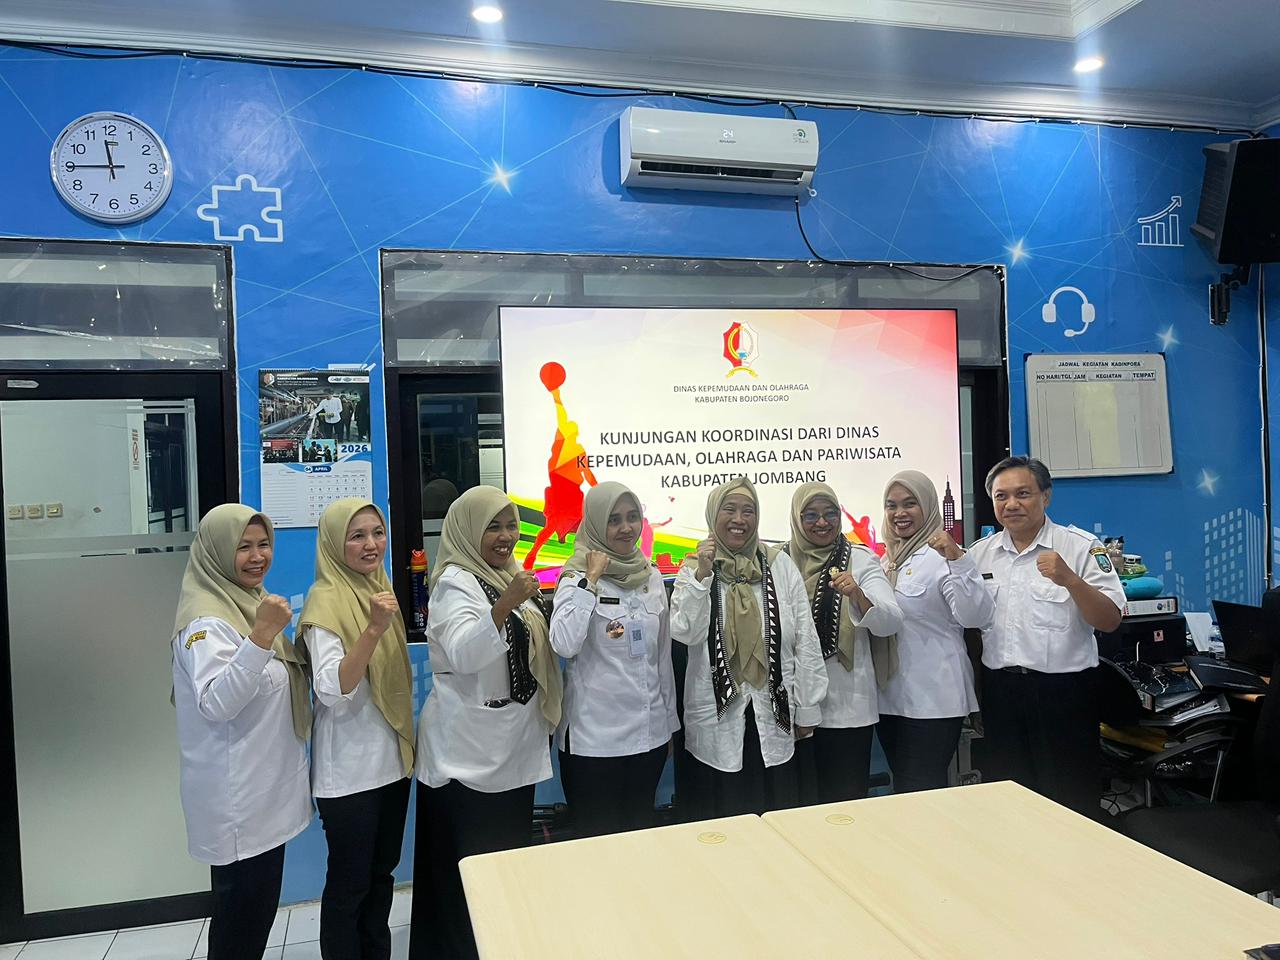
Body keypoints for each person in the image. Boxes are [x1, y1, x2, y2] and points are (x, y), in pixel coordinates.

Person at [410, 486, 561, 960]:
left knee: (503, 866)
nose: (506, 536)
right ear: (467, 531)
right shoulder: (455, 583)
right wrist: (504, 605)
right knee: (469, 875)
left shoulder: (507, 573)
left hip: (512, 746)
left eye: (511, 525)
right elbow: (464, 654)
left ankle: (499, 945)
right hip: (468, 758)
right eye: (492, 527)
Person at [171, 505, 311, 960]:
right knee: (240, 926)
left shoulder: (248, 602)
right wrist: (262, 636)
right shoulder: (205, 621)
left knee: (254, 918)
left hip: (262, 794)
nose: (257, 556)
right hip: (237, 802)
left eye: (263, 544)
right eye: (243, 547)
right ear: (215, 552)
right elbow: (217, 702)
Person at [969, 456, 1123, 817]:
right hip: (1002, 693)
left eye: (1023, 494)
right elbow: (972, 628)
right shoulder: (979, 554)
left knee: (1070, 802)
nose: (1011, 504)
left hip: (1064, 696)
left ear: (1046, 496)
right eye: (1001, 496)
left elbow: (1110, 620)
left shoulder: (1080, 547)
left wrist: (1070, 580)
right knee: (1008, 803)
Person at [670, 476, 827, 818]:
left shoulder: (779, 565)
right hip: (717, 720)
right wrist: (703, 576)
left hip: (773, 714)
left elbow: (805, 639)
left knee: (777, 817)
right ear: (713, 514)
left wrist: (808, 708)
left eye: (749, 510)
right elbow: (685, 633)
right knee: (724, 822)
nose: (739, 519)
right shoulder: (694, 568)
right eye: (729, 509)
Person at [300, 499, 414, 960]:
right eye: (357, 536)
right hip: (347, 774)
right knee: (350, 886)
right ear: (334, 544)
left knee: (382, 877)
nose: (371, 544)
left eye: (377, 533)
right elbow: (331, 689)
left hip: (391, 763)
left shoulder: (379, 586)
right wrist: (371, 630)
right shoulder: (324, 600)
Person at [549, 481, 680, 837]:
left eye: (632, 517)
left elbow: (661, 659)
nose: (626, 528)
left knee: (641, 839)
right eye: (614, 519)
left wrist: (668, 726)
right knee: (597, 846)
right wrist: (591, 579)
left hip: (648, 738)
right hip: (594, 743)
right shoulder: (576, 577)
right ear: (594, 523)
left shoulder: (651, 575)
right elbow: (564, 643)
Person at [776, 481, 901, 804]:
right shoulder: (778, 562)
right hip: (791, 708)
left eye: (830, 513)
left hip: (847, 708)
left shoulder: (860, 560)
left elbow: (891, 621)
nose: (822, 522)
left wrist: (857, 595)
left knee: (845, 807)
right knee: (796, 805)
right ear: (796, 518)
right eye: (811, 515)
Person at [876, 470, 994, 793]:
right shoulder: (886, 561)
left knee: (922, 789)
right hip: (889, 700)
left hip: (934, 701)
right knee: (903, 790)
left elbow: (975, 616)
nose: (899, 513)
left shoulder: (943, 557)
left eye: (910, 503)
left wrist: (957, 559)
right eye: (891, 505)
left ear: (928, 506)